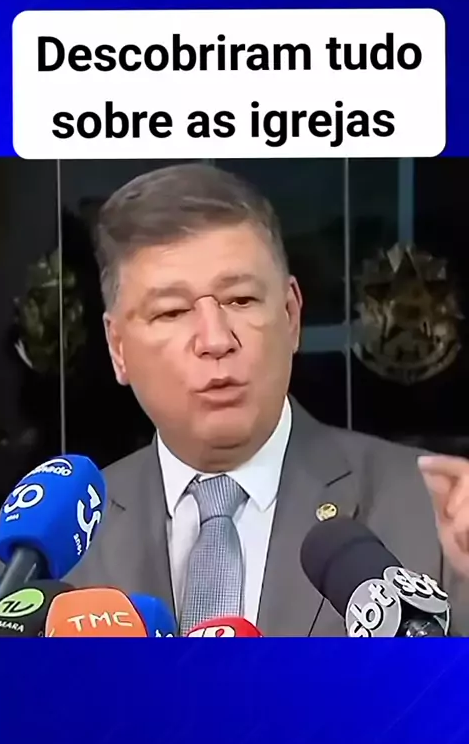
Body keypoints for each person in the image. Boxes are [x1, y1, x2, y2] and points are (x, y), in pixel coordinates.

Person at [67, 162, 469, 636]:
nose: (216, 339)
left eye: (240, 300)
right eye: (172, 311)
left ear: (291, 315)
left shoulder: (435, 514)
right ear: (118, 348)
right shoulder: (64, 539)